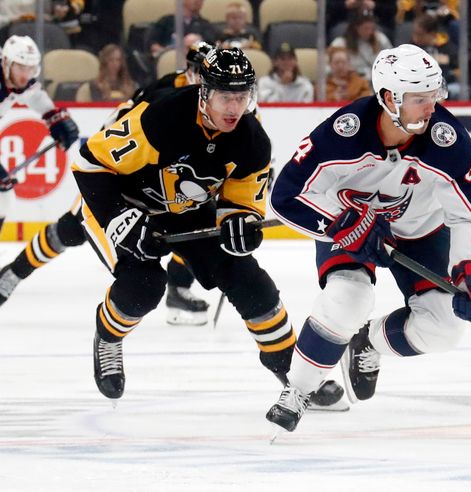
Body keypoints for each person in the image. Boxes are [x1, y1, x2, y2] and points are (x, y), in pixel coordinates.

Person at [68, 47, 345, 411]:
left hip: (187, 211)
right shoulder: (162, 117)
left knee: (249, 281)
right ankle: (107, 337)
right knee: (144, 286)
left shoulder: (251, 140)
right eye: (225, 97)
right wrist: (120, 218)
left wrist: (239, 224)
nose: (234, 107)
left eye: (241, 96)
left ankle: (294, 374)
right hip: (124, 203)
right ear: (204, 93)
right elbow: (88, 161)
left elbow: (241, 202)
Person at [266, 44, 471, 432]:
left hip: (420, 230)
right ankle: (300, 389)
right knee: (347, 298)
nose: (431, 108)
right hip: (350, 226)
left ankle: (368, 343)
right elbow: (285, 196)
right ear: (389, 98)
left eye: (434, 97)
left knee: (444, 326)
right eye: (420, 99)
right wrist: (340, 223)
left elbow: (470, 213)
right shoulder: (344, 132)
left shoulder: (447, 138)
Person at [0, 42, 214, 327]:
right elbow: (120, 127)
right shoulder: (164, 92)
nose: (207, 84)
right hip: (125, 172)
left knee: (198, 225)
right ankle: (14, 272)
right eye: (202, 74)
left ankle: (178, 288)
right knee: (72, 230)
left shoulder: (220, 98)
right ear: (189, 71)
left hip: (168, 178)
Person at [0, 35, 79, 236]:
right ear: (6, 62)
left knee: (3, 196)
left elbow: (34, 96)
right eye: (21, 68)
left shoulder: (15, 80)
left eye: (30, 69)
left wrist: (54, 117)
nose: (26, 75)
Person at [330, 13, 393, 82]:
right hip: (350, 82)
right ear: (356, 27)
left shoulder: (380, 39)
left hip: (377, 80)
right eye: (366, 28)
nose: (369, 32)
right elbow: (327, 67)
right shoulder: (340, 43)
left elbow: (392, 59)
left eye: (372, 29)